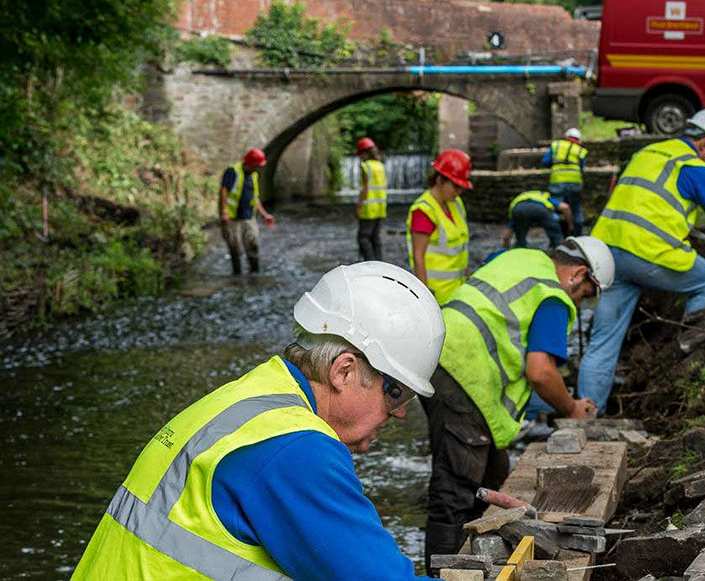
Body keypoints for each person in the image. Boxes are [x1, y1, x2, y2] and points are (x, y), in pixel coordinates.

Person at [70, 261, 446, 581]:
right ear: (343, 371)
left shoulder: (250, 398)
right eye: (396, 393)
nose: (399, 412)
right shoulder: (295, 448)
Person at [421, 237, 615, 566]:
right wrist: (571, 409)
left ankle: (478, 557)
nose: (579, 304)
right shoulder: (553, 296)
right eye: (584, 295)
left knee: (494, 470)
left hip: (434, 355)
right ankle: (442, 573)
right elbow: (540, 372)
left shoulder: (521, 258)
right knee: (454, 492)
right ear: (578, 274)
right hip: (466, 375)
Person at [578, 109, 705, 414]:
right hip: (648, 252)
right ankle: (687, 359)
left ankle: (585, 417)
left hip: (607, 255)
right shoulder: (694, 166)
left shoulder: (647, 152)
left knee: (603, 342)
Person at [406, 149, 472, 305]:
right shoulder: (424, 211)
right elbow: (418, 257)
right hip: (438, 297)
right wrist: (426, 299)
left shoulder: (456, 204)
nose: (459, 192)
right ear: (440, 180)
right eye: (455, 186)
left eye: (461, 187)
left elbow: (461, 249)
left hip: (459, 291)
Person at [219, 148, 275, 275]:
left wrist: (264, 214)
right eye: (257, 165)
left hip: (249, 217)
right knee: (235, 249)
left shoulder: (254, 175)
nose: (259, 168)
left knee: (253, 245)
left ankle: (254, 274)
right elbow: (224, 190)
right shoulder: (232, 171)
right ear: (250, 163)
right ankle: (237, 276)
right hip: (233, 219)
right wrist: (224, 211)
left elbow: (255, 197)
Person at [542, 127, 589, 235]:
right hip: (575, 183)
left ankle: (558, 235)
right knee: (576, 209)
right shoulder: (581, 150)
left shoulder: (556, 145)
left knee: (557, 208)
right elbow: (582, 168)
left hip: (557, 182)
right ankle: (578, 235)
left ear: (566, 137)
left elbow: (545, 161)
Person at [502, 190, 574, 249]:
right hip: (540, 209)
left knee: (520, 239)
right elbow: (565, 207)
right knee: (555, 236)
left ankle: (520, 251)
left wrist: (504, 250)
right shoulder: (544, 196)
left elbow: (506, 236)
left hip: (519, 210)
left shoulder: (519, 200)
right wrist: (571, 225)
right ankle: (559, 249)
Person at [356, 137, 387, 261]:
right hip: (380, 207)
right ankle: (379, 263)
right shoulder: (380, 165)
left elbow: (365, 188)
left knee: (363, 237)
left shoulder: (365, 166)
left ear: (364, 153)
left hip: (368, 208)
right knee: (375, 238)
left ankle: (369, 264)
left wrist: (359, 206)